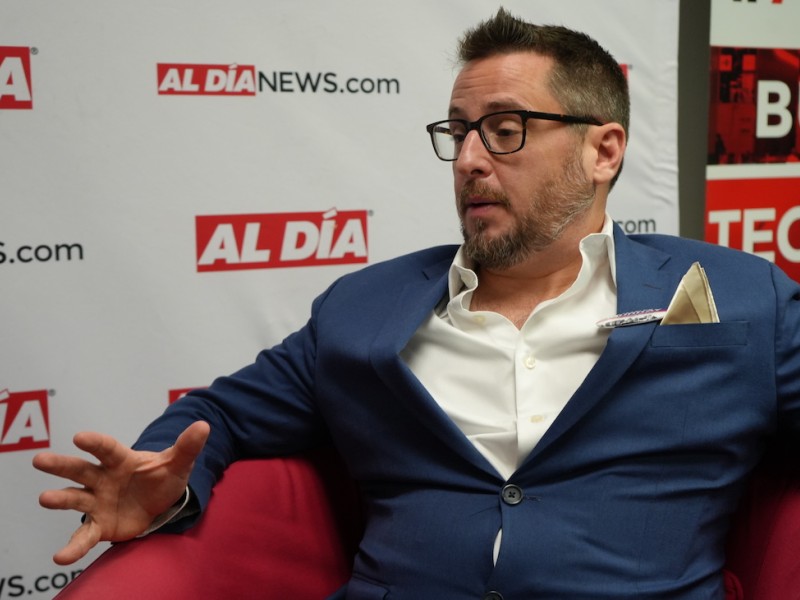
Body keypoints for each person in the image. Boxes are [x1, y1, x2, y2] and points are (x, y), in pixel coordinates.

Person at [33, 8, 800, 599]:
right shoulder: (363, 308)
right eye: (459, 132)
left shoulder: (744, 301)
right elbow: (221, 416)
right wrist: (166, 487)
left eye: (504, 130)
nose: (469, 160)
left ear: (604, 151)